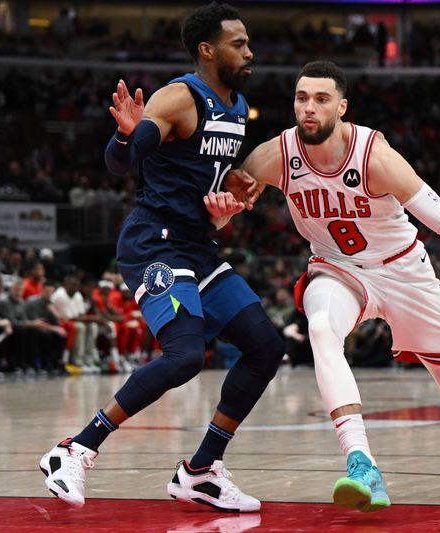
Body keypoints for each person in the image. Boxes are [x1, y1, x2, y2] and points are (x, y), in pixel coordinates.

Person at [235, 61, 440, 511]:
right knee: (322, 328)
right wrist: (224, 204)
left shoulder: (376, 157)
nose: (308, 108)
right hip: (337, 268)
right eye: (301, 98)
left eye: (321, 99)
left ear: (342, 107)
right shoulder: (274, 155)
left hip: (405, 271)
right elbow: (226, 199)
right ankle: (361, 462)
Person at [40, 2, 285, 513]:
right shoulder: (179, 98)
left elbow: (208, 180)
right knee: (186, 356)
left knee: (265, 345)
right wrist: (126, 133)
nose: (248, 50)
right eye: (237, 43)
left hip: (195, 242)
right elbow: (121, 162)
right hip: (154, 241)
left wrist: (232, 197)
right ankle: (75, 448)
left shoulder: (237, 107)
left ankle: (201, 472)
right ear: (207, 49)